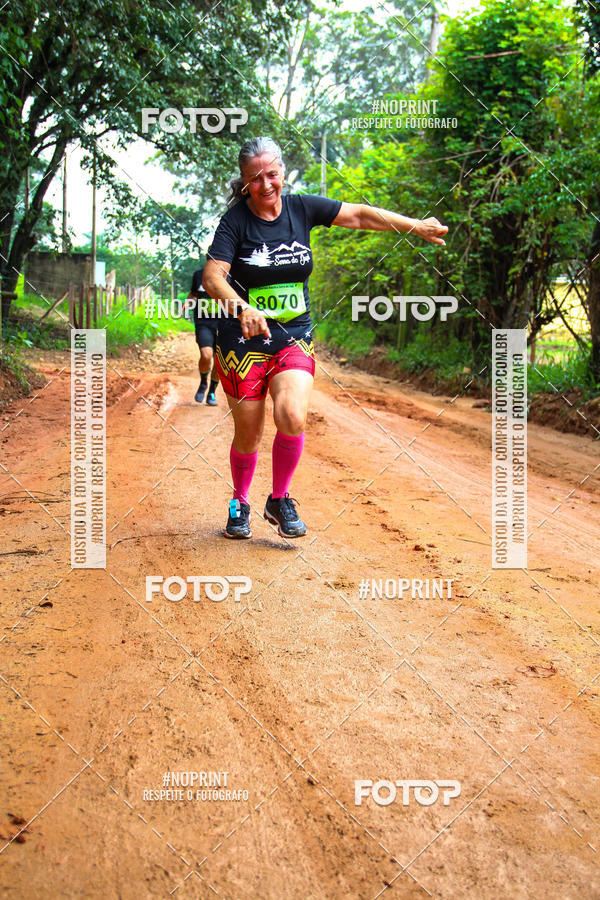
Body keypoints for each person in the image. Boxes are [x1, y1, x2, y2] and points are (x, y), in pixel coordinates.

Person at [203, 136, 447, 540]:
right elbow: (213, 276)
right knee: (248, 435)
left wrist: (414, 226)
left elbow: (361, 215)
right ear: (244, 183)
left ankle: (279, 500)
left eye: (272, 174)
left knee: (293, 415)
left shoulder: (301, 208)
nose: (266, 185)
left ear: (282, 172)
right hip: (242, 342)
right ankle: (239, 502)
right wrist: (242, 306)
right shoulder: (235, 223)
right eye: (256, 179)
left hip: (292, 335)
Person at [188, 265, 220, 405]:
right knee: (206, 355)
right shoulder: (198, 275)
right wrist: (188, 303)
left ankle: (212, 392)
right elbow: (194, 294)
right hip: (204, 322)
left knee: (219, 362)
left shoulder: (230, 276)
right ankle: (203, 383)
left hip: (224, 324)